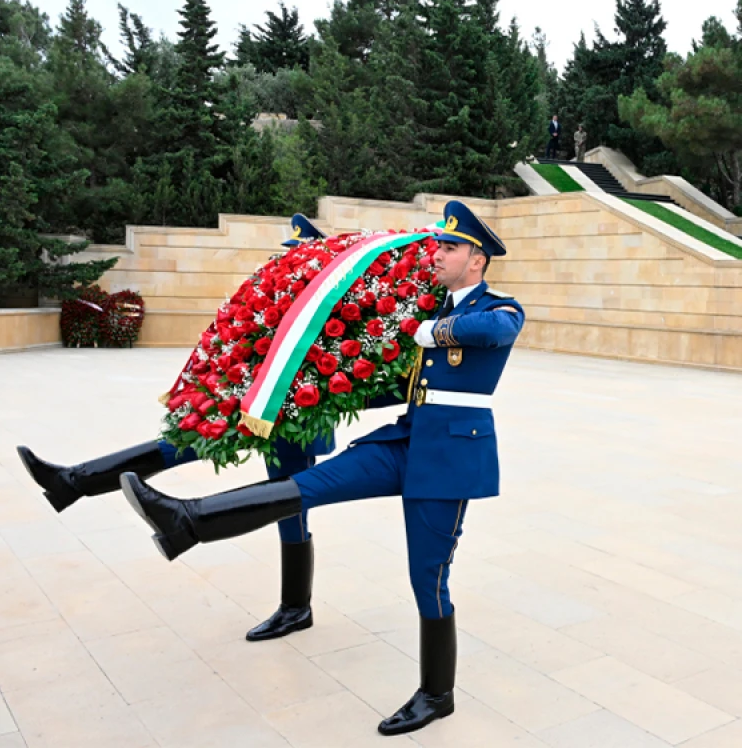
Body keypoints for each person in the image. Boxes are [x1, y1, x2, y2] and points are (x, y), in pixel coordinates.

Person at [120, 201, 524, 738]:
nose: (439, 253)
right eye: (439, 244)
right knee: (305, 487)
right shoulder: (435, 307)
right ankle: (186, 520)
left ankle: (436, 694)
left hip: (449, 460)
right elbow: (403, 388)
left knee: (428, 579)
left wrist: (430, 330)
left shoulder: (499, 308)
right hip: (405, 441)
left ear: (477, 260)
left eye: (450, 247)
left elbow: (495, 331)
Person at [14, 213, 381, 642]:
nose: (291, 263)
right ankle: (72, 481)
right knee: (179, 444)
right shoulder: (286, 298)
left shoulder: (334, 303)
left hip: (291, 421)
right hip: (247, 409)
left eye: (300, 255)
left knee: (288, 505)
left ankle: (296, 607)